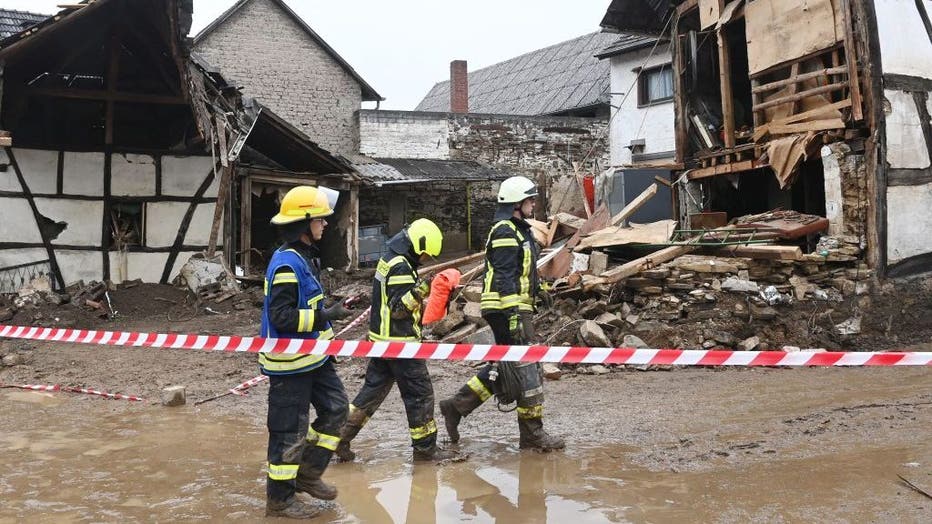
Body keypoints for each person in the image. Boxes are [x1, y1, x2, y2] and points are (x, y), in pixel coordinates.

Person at [439, 176, 565, 451]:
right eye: (530, 200)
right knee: (527, 368)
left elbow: (523, 270)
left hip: (514, 307)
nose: (533, 204)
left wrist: (539, 289)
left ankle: (456, 406)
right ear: (516, 203)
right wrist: (513, 315)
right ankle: (532, 433)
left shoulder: (518, 230)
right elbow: (505, 276)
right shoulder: (505, 232)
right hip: (505, 309)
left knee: (507, 366)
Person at [335, 219, 462, 462]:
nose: (425, 259)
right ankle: (426, 449)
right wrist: (423, 289)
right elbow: (398, 309)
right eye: (425, 255)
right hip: (400, 345)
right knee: (420, 396)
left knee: (369, 396)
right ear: (418, 245)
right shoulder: (401, 267)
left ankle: (339, 438)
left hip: (382, 342)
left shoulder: (390, 259)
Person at [261, 185, 353, 519]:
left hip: (315, 359)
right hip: (289, 364)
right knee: (289, 432)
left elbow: (305, 307)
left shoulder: (304, 258)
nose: (326, 224)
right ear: (304, 222)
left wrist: (327, 317)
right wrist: (325, 315)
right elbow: (281, 317)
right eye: (320, 219)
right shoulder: (287, 264)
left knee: (337, 409)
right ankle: (280, 500)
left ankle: (308, 472)